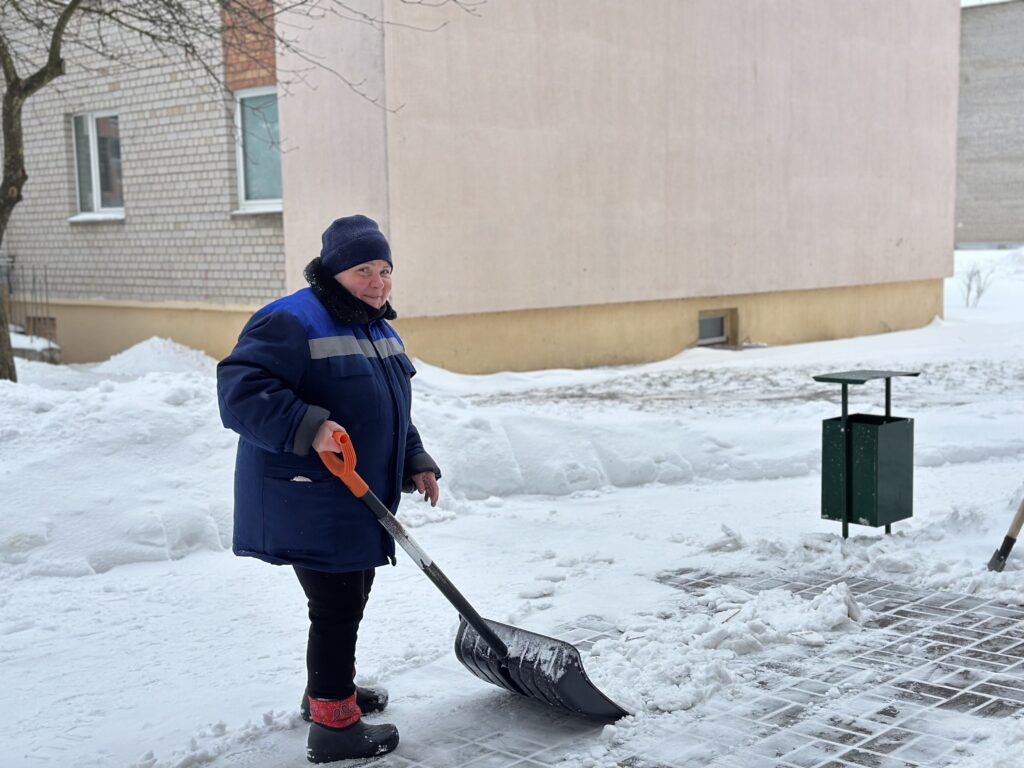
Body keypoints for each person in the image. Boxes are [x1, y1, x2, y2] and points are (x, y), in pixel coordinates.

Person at [216, 214, 441, 763]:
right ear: (335, 272)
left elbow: (390, 410)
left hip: (355, 495)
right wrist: (310, 425)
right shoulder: (290, 320)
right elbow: (240, 391)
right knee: (338, 603)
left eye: (385, 270)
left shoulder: (378, 328)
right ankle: (334, 727)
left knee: (347, 597)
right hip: (308, 494)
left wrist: (415, 458)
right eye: (364, 270)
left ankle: (327, 692)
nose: (378, 282)